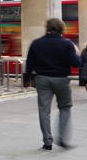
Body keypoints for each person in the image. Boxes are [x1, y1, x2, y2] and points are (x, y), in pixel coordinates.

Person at [24, 18, 81, 150]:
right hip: (61, 79)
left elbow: (29, 64)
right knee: (65, 107)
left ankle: (47, 142)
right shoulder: (67, 44)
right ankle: (61, 138)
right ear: (62, 28)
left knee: (44, 110)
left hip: (42, 79)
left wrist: (27, 79)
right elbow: (77, 64)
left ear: (47, 28)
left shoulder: (36, 43)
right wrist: (77, 54)